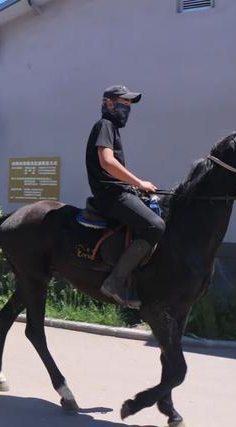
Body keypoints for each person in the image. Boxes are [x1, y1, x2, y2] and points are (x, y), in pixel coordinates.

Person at [85, 85, 165, 309]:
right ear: (109, 103)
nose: (128, 108)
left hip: (120, 191)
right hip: (111, 195)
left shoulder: (112, 128)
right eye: (124, 103)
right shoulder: (105, 125)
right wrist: (138, 182)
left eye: (129, 105)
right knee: (155, 225)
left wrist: (138, 188)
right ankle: (115, 282)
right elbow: (107, 162)